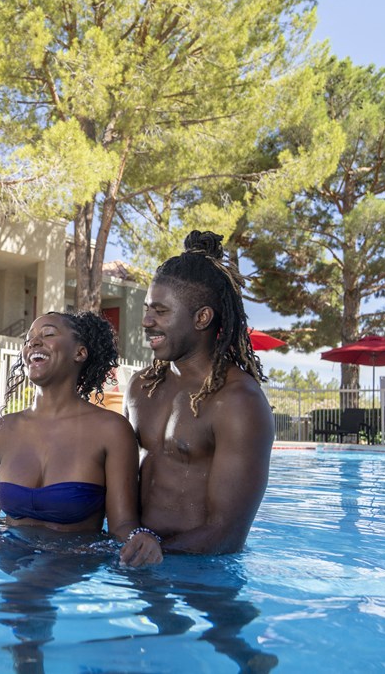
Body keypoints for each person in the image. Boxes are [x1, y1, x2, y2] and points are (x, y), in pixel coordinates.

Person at [0, 310, 162, 567]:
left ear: (79, 353)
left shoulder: (110, 430)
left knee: (23, 593)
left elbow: (122, 525)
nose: (33, 343)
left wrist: (142, 539)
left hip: (71, 557)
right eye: (28, 340)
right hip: (5, 550)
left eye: (47, 334)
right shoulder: (0, 431)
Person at [121, 229, 273, 563]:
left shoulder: (238, 402)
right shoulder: (140, 387)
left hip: (205, 570)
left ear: (202, 317)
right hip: (140, 557)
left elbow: (228, 531)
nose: (146, 321)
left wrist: (160, 552)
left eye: (160, 311)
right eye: (147, 309)